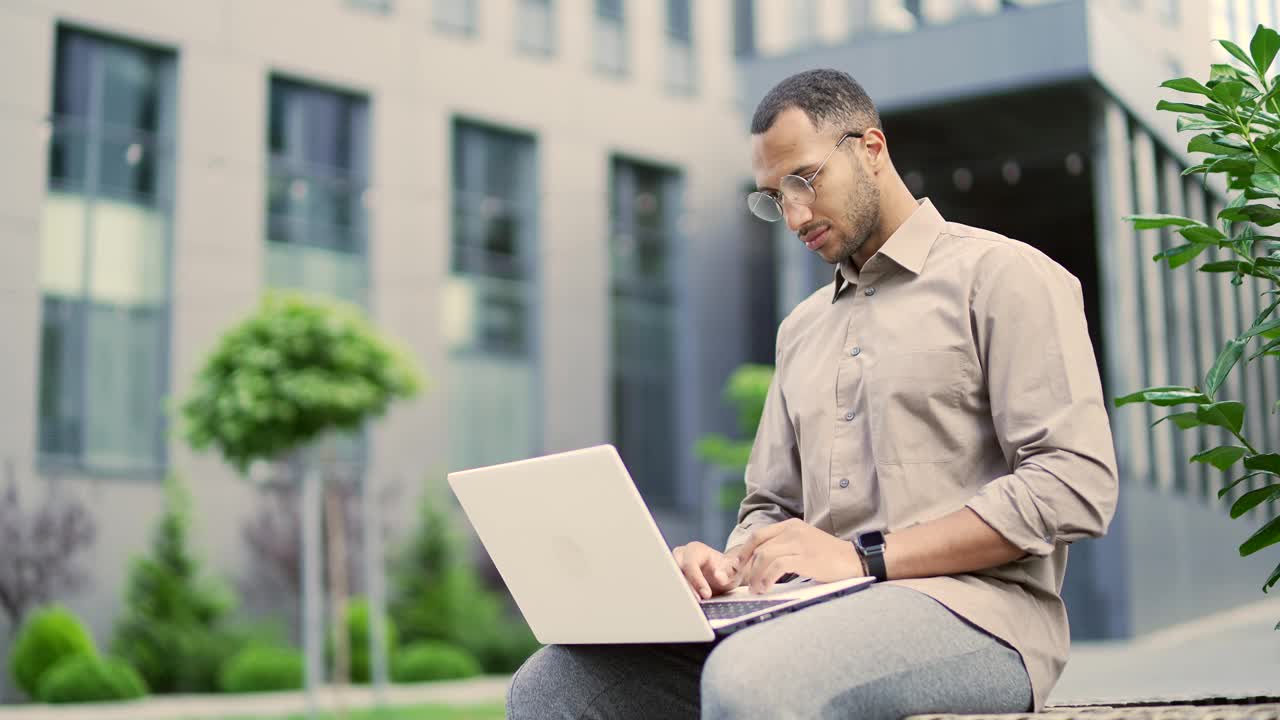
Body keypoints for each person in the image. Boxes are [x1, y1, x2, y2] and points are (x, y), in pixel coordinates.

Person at [507, 68, 1119, 720]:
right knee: (552, 685)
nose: (793, 214)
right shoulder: (801, 329)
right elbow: (770, 504)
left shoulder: (1004, 277)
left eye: (805, 179)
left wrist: (864, 559)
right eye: (773, 196)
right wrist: (730, 564)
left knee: (751, 682)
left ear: (871, 149)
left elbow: (1074, 482)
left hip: (977, 614)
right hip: (807, 614)